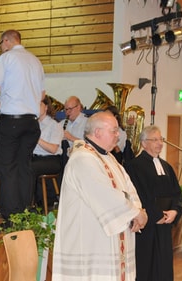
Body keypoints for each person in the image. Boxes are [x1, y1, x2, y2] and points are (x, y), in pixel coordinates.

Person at [52, 111, 148, 281]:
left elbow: (129, 188)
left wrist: (139, 210)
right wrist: (135, 213)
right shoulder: (82, 159)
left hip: (107, 239)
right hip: (91, 244)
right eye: (114, 130)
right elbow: (105, 196)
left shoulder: (109, 158)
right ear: (97, 132)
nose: (118, 135)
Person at [0, 29, 44, 223]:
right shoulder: (35, 60)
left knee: (7, 167)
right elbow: (42, 95)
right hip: (31, 122)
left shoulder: (5, 59)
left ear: (7, 41)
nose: (0, 48)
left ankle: (10, 215)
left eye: (1, 44)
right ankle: (24, 211)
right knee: (24, 166)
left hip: (12, 120)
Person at [125, 126, 182, 281]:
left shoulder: (167, 167)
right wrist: (155, 215)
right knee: (146, 266)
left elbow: (177, 193)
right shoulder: (134, 166)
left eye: (161, 139)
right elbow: (137, 196)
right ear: (144, 143)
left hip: (165, 223)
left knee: (163, 265)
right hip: (147, 225)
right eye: (155, 139)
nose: (160, 143)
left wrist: (174, 211)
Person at [32, 96, 62, 208]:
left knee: (30, 168)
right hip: (35, 158)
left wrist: (36, 138)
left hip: (51, 160)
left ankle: (31, 204)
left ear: (46, 107)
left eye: (39, 104)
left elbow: (53, 149)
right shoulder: (32, 124)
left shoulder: (55, 125)